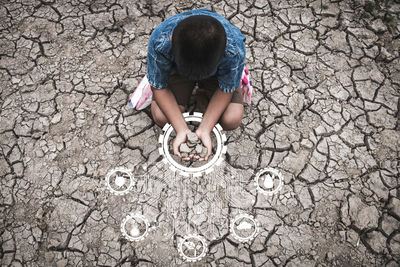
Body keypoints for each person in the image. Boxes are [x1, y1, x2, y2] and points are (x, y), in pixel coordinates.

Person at [147, 9, 246, 161]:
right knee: (161, 117)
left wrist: (205, 129)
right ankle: (159, 73)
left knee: (231, 119)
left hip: (215, 73)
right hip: (179, 70)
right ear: (171, 40)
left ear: (225, 46)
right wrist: (181, 129)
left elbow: (226, 89)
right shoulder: (161, 41)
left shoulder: (233, 48)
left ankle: (204, 92)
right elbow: (159, 88)